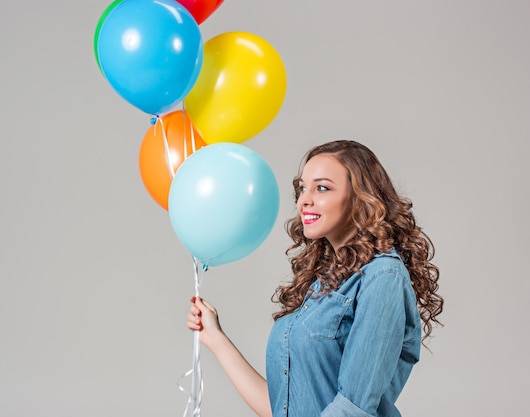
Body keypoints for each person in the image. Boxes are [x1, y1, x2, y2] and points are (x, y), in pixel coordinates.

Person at [187, 140, 444, 417]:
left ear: (360, 197)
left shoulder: (383, 277)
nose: (304, 200)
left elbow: (352, 409)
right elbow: (281, 409)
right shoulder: (321, 282)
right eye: (302, 188)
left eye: (322, 188)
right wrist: (215, 338)